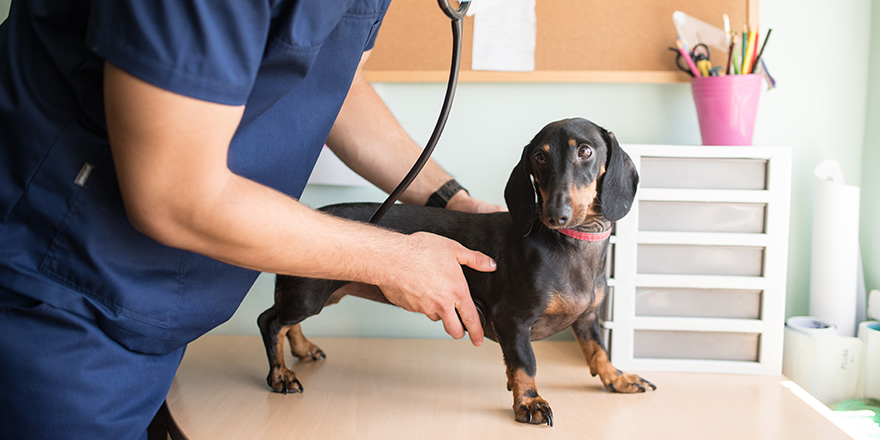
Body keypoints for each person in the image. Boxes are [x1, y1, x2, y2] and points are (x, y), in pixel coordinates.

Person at [0, 1, 503, 438]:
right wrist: (394, 259)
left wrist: (452, 203)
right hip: (58, 301)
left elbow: (334, 82)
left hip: (160, 308)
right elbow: (175, 195)